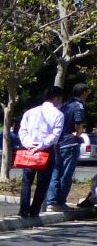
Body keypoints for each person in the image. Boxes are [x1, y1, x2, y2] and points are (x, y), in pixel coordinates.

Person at [17, 85, 64, 218]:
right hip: (46, 151)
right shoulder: (58, 115)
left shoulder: (30, 112)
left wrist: (29, 144)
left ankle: (23, 210)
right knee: (43, 183)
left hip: (29, 149)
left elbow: (22, 130)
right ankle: (34, 210)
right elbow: (55, 135)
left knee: (27, 181)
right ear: (56, 98)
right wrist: (42, 145)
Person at [45, 83, 89, 211]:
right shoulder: (78, 105)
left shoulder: (64, 105)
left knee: (55, 173)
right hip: (70, 143)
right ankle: (60, 202)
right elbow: (79, 123)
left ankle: (51, 201)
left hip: (58, 143)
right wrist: (78, 135)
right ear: (84, 93)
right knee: (66, 175)